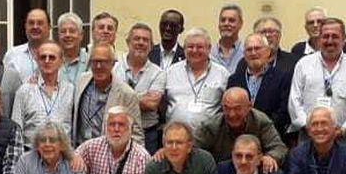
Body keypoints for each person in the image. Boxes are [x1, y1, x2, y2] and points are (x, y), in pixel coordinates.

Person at [289, 17, 346, 134]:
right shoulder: (303, 64)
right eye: (325, 36)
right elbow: (294, 101)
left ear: (344, 39)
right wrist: (308, 127)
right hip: (308, 137)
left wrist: (344, 130)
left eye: (335, 36)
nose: (330, 41)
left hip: (344, 139)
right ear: (319, 39)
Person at [197, 88, 288, 168]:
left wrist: (271, 157)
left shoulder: (261, 121)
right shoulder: (212, 126)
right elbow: (193, 149)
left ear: (249, 107)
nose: (231, 114)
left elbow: (278, 147)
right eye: (227, 108)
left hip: (253, 173)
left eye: (237, 108)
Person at [69, 42, 139, 146]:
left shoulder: (127, 94)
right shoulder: (81, 81)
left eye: (104, 62)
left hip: (108, 154)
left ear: (113, 64)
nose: (98, 66)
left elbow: (137, 134)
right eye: (95, 61)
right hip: (80, 151)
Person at [11, 42, 75, 154]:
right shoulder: (24, 91)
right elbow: (16, 130)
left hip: (62, 156)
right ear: (36, 60)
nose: (47, 61)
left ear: (61, 61)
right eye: (43, 57)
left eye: (52, 57)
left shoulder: (70, 90)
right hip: (31, 154)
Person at [163, 28, 230, 132]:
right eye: (190, 47)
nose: (194, 50)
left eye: (199, 47)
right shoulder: (171, 72)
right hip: (175, 138)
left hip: (209, 139)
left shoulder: (222, 74)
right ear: (184, 48)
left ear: (209, 48)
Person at [226, 32, 292, 137]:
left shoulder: (282, 78)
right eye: (249, 50)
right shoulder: (234, 80)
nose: (253, 53)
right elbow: (228, 110)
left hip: (270, 136)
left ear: (268, 51)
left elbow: (283, 113)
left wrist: (260, 130)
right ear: (244, 54)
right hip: (238, 137)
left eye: (257, 48)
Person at [121, 22, 166, 151]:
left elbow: (151, 104)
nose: (141, 43)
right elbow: (109, 99)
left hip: (148, 134)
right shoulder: (114, 68)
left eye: (145, 40)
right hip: (117, 130)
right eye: (136, 39)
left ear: (151, 46)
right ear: (128, 42)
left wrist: (121, 97)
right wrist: (141, 98)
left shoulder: (159, 73)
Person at [4, 8, 54, 80]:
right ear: (25, 27)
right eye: (31, 23)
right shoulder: (12, 54)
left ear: (49, 27)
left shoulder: (58, 54)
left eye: (40, 23)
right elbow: (6, 86)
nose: (35, 27)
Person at [213, 3, 245, 73]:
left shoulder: (247, 53)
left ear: (241, 24)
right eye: (223, 20)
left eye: (231, 20)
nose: (226, 24)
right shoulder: (209, 53)